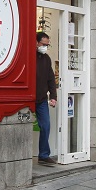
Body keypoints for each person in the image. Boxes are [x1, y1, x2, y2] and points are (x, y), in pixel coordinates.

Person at [35, 31, 58, 166]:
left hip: (42, 99)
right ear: (36, 42)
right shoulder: (29, 56)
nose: (45, 47)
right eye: (43, 44)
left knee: (46, 125)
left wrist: (53, 97)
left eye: (47, 45)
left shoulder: (47, 59)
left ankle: (43, 155)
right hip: (30, 97)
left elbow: (51, 79)